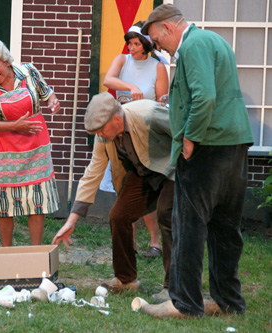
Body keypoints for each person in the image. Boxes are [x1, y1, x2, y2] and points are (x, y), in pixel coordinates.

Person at [140, 4, 254, 318]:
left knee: (187, 226)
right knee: (225, 228)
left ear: (167, 27)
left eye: (155, 38)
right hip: (234, 143)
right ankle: (228, 301)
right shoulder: (214, 40)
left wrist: (190, 139)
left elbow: (204, 96)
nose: (157, 46)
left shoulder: (192, 45)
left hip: (207, 146)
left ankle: (185, 303)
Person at [52, 92, 174, 296]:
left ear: (116, 119)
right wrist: (71, 221)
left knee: (167, 214)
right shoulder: (105, 138)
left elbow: (183, 130)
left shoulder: (148, 114)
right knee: (119, 216)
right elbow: (92, 174)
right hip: (143, 172)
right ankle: (126, 279)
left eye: (100, 130)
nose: (99, 135)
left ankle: (175, 287)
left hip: (171, 168)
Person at [0, 39, 61, 246]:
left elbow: (47, 94)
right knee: (5, 206)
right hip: (6, 153)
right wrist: (14, 126)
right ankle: (6, 254)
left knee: (36, 202)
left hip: (35, 148)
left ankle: (35, 252)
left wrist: (53, 102)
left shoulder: (29, 71)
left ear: (5, 60)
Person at [102, 21, 170, 258]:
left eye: (135, 43)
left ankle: (155, 242)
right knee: (124, 187)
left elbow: (163, 101)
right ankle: (128, 242)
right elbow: (108, 81)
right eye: (129, 43)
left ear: (146, 45)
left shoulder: (158, 67)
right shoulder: (122, 61)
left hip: (146, 133)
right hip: (121, 132)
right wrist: (129, 86)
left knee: (145, 186)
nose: (130, 47)